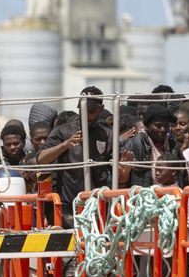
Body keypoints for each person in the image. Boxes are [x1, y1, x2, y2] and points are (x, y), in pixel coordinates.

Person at [38, 86, 130, 225]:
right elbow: (41, 159)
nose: (86, 115)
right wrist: (64, 145)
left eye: (91, 111)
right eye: (83, 110)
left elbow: (120, 177)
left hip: (98, 208)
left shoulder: (107, 135)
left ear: (101, 109)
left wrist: (124, 171)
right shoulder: (64, 131)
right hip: (69, 209)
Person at [122, 103, 177, 188]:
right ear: (147, 126)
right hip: (144, 192)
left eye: (166, 126)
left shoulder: (172, 144)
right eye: (158, 126)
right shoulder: (136, 143)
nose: (163, 129)